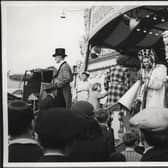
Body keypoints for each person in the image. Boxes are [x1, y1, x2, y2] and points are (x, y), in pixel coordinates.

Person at [132, 48, 167, 113]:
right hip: (145, 103)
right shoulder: (143, 72)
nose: (146, 64)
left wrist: (146, 79)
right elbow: (142, 88)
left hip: (156, 100)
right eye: (144, 62)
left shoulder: (160, 68)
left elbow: (158, 84)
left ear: (151, 60)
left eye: (147, 61)